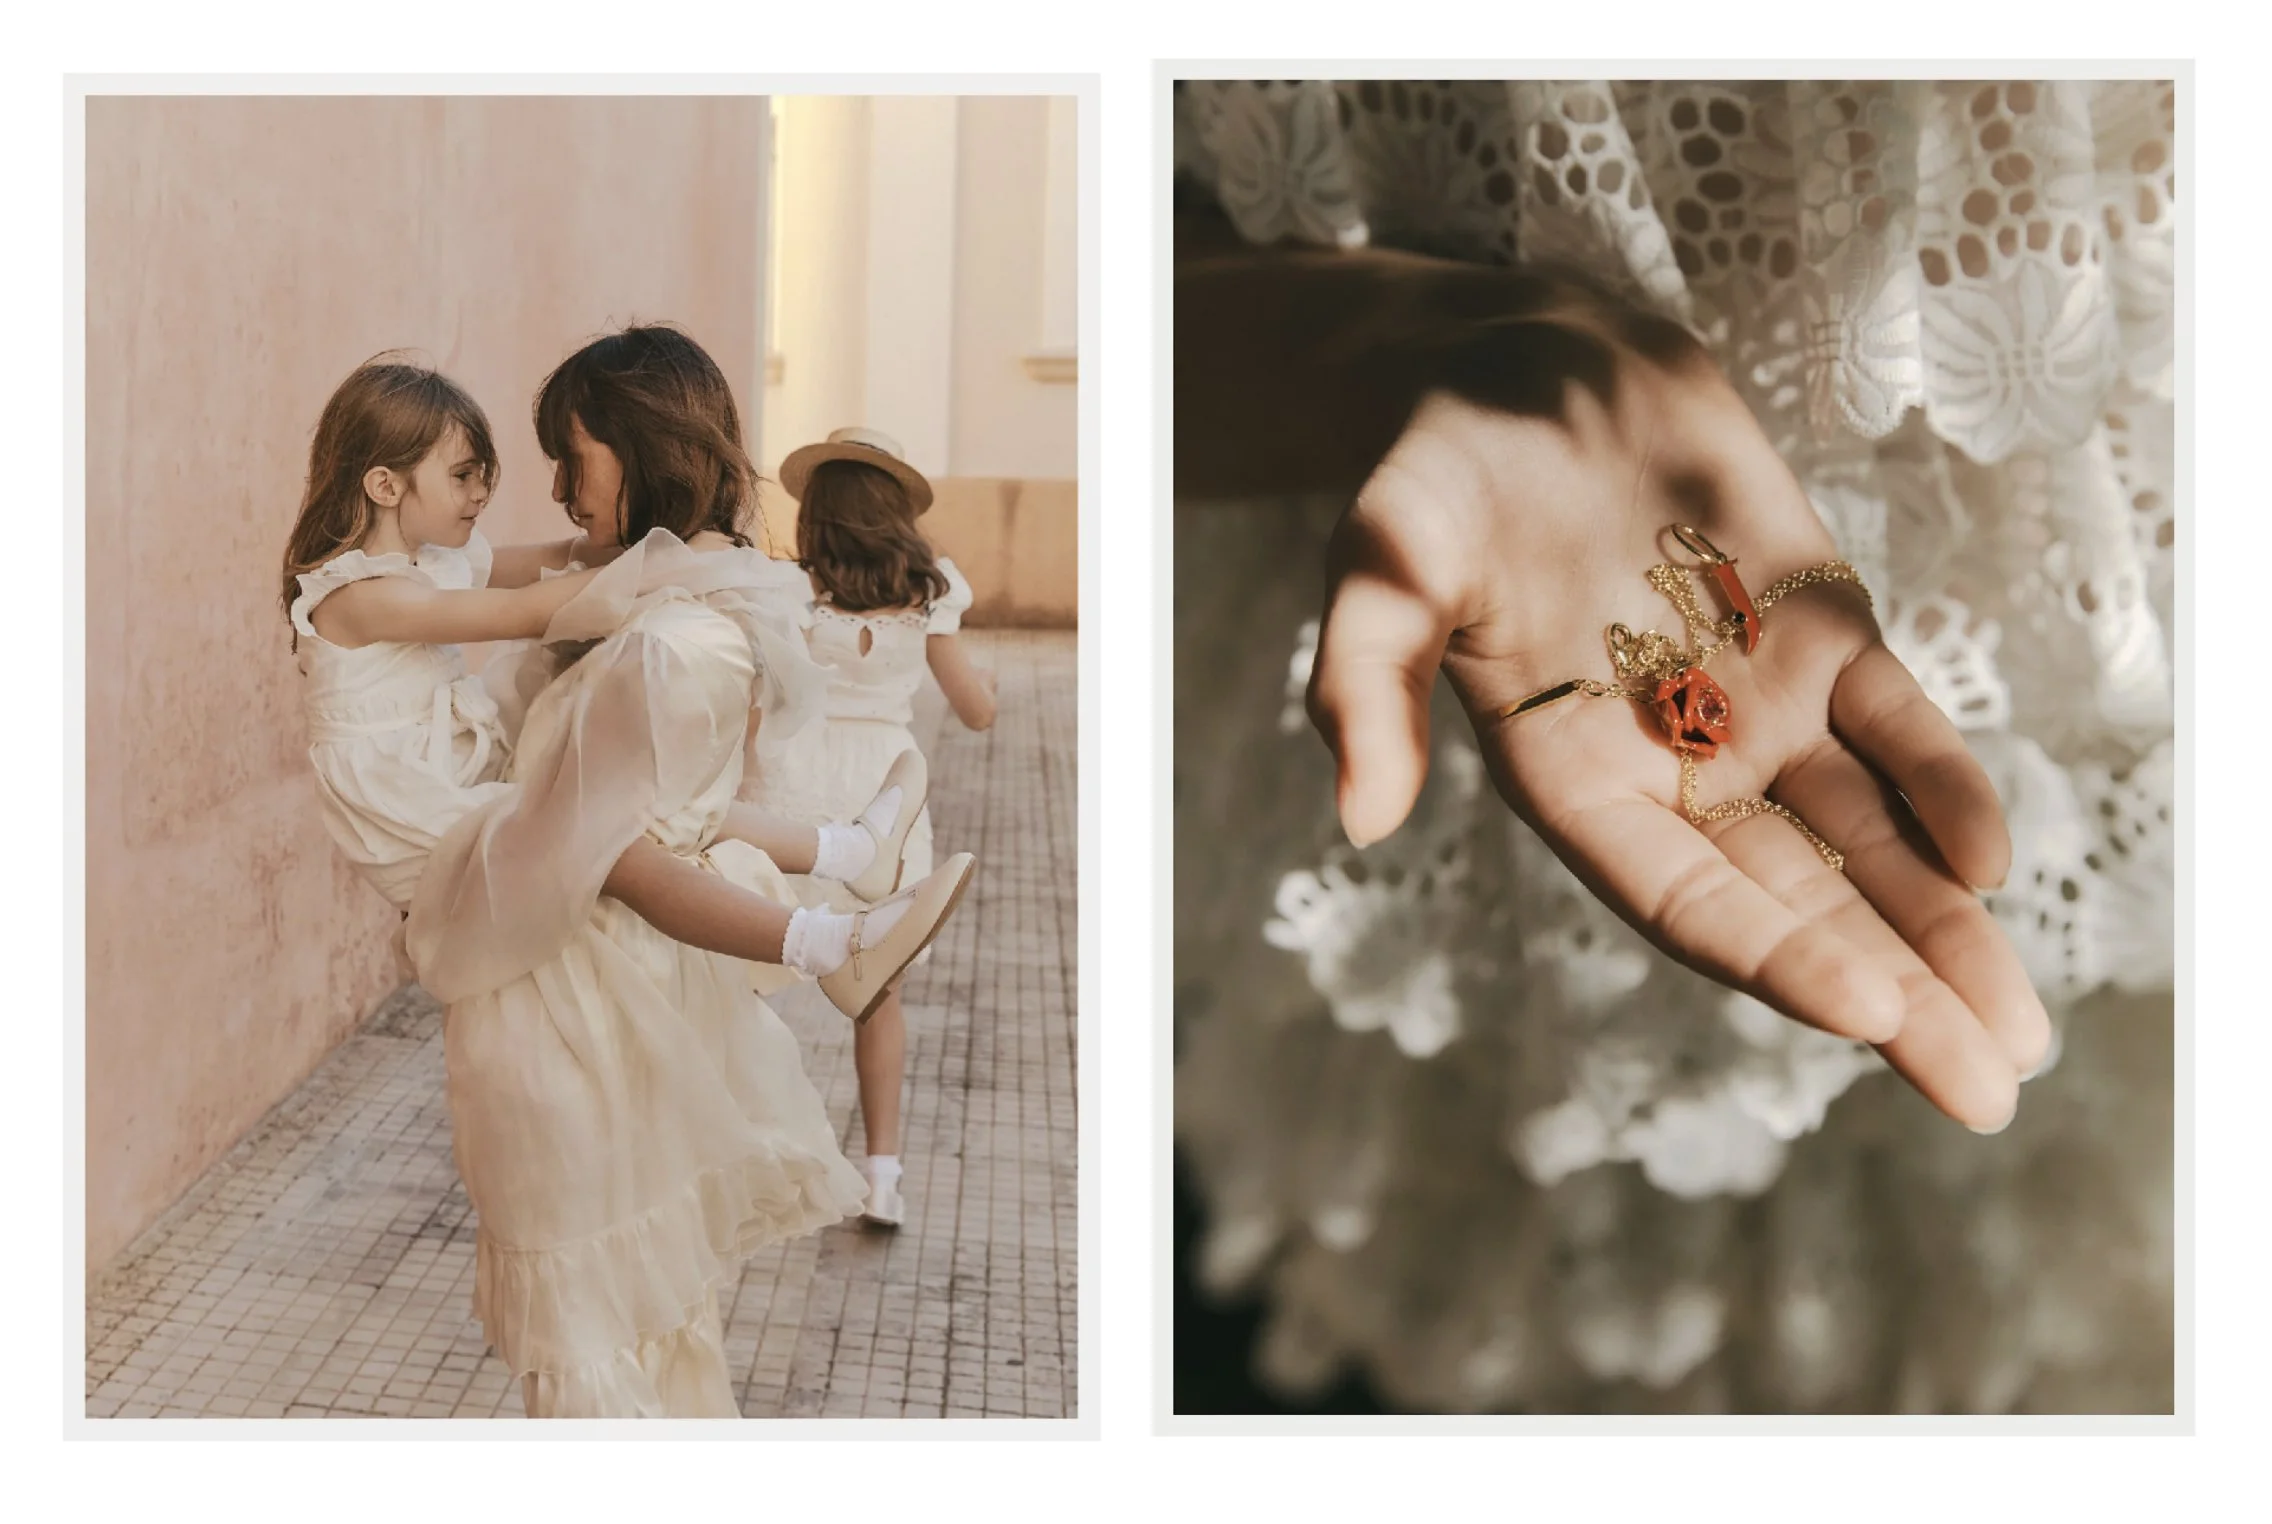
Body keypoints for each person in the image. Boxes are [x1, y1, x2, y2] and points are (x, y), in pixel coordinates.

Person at [742, 426, 998, 1227]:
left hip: (793, 792)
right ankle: (883, 1178)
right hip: (889, 801)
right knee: (878, 991)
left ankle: (753, 1156)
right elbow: (979, 711)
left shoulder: (786, 594)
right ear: (894, 512)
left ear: (817, 512)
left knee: (748, 980)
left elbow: (754, 710)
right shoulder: (931, 592)